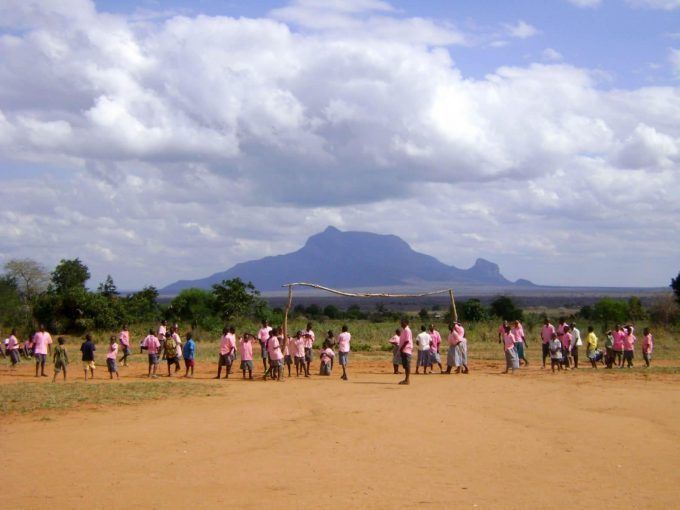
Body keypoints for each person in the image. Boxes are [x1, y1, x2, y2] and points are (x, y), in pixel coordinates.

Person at [398, 319, 413, 385]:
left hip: (406, 349)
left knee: (407, 365)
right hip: (404, 349)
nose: (401, 323)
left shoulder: (407, 330)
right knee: (405, 365)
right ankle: (406, 379)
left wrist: (402, 348)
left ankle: (407, 380)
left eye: (402, 322)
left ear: (406, 323)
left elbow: (407, 341)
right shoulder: (404, 330)